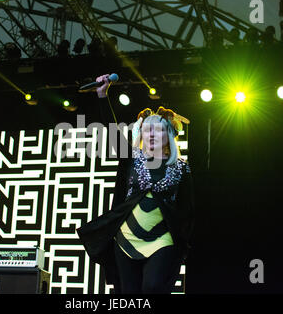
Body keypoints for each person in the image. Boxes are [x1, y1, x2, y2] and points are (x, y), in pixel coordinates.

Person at [77, 74, 195, 294]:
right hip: (127, 238)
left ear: (168, 135)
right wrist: (103, 95)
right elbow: (112, 133)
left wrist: (182, 238)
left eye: (158, 130)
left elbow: (187, 210)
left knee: (153, 286)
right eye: (147, 130)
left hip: (162, 239)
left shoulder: (181, 168)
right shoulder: (131, 158)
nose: (151, 134)